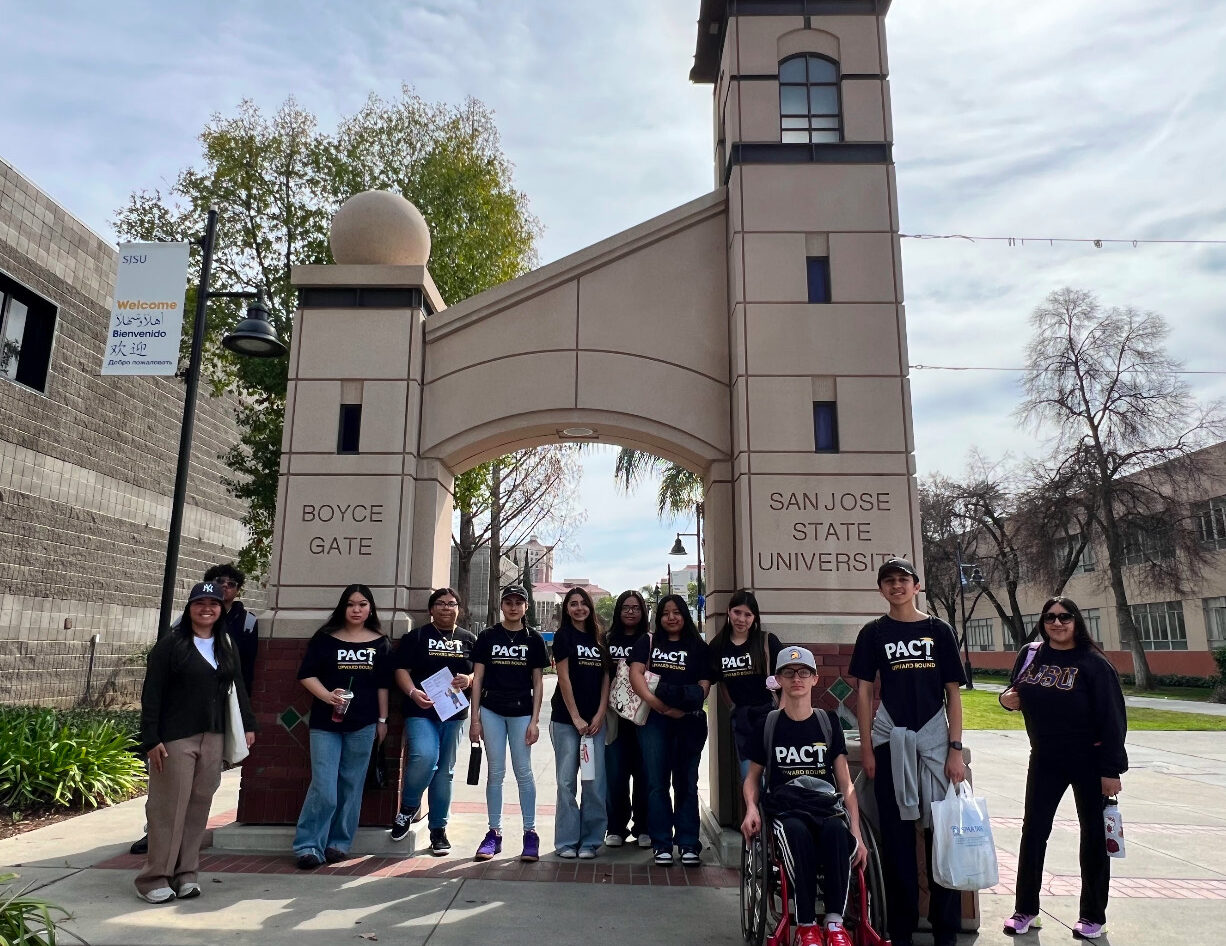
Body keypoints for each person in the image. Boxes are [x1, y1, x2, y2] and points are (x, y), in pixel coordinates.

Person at [851, 558, 967, 946]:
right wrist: (867, 747)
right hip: (889, 742)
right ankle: (900, 928)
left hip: (936, 744)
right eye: (889, 581)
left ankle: (945, 928)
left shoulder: (939, 630)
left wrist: (955, 749)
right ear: (881, 589)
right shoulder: (873, 633)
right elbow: (865, 691)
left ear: (917, 585)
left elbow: (953, 693)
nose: (897, 586)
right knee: (897, 840)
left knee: (941, 840)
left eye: (904, 580)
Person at [998, 597, 1127, 940]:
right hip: (1044, 758)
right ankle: (1026, 910)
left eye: (1064, 617)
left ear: (1076, 621)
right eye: (1050, 617)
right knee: (1034, 832)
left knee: (1094, 837)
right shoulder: (1031, 654)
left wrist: (1111, 770)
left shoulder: (1094, 662)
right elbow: (1015, 690)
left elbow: (1113, 718)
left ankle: (1092, 916)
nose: (1057, 623)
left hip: (1089, 761)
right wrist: (1004, 700)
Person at [135, 581, 255, 903]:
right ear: (189, 608)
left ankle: (186, 874)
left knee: (198, 807)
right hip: (175, 738)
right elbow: (152, 694)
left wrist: (249, 724)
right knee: (167, 809)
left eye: (213, 603)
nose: (207, 608)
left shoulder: (225, 644)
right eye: (199, 602)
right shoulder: (171, 645)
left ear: (220, 609)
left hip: (213, 737)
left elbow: (237, 686)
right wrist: (151, 739)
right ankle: (154, 878)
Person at [742, 647, 868, 946]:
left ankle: (835, 923)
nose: (796, 678)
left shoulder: (828, 723)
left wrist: (858, 833)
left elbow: (845, 783)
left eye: (803, 673)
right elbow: (752, 779)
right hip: (787, 809)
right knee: (796, 833)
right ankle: (806, 924)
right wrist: (751, 808)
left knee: (837, 832)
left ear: (814, 679)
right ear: (778, 680)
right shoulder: (768, 725)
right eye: (788, 672)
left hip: (825, 807)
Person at [292, 584, 392, 869]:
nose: (356, 609)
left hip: (364, 724)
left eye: (362, 604)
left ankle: (338, 843)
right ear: (342, 608)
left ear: (370, 608)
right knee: (324, 787)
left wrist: (383, 721)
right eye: (350, 604)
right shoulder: (325, 639)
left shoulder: (380, 643)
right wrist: (327, 696)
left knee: (352, 785)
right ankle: (308, 845)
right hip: (325, 724)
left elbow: (383, 686)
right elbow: (306, 675)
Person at [389, 587, 476, 855]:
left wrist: (469, 679)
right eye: (440, 603)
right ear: (431, 609)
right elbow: (400, 669)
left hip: (453, 713)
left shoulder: (469, 639)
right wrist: (413, 692)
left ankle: (438, 830)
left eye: (452, 604)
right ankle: (409, 806)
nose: (446, 608)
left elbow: (478, 674)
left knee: (444, 772)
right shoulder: (416, 637)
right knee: (424, 757)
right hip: (421, 710)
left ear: (459, 609)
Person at [469, 584, 551, 862]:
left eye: (519, 602)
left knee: (524, 772)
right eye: (509, 602)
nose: (513, 606)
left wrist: (535, 720)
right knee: (496, 772)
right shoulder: (487, 636)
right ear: (501, 606)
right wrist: (474, 719)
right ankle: (494, 833)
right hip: (491, 710)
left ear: (526, 607)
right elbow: (477, 679)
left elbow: (538, 681)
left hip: (521, 712)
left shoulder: (534, 639)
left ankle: (530, 833)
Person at [630, 593, 710, 866]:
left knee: (687, 783)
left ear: (685, 615)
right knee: (656, 784)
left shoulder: (697, 646)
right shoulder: (648, 642)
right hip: (655, 722)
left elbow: (704, 685)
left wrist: (684, 708)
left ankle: (688, 843)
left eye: (676, 612)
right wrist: (657, 704)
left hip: (689, 722)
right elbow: (635, 674)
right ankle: (661, 843)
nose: (671, 617)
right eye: (666, 613)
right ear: (659, 617)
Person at [550, 586, 612, 858]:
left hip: (595, 724)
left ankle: (590, 840)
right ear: (567, 609)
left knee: (594, 782)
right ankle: (566, 841)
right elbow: (563, 678)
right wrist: (575, 717)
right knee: (566, 782)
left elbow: (606, 678)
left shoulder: (600, 637)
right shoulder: (564, 636)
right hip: (566, 721)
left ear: (590, 607)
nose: (578, 608)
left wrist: (599, 714)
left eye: (583, 603)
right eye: (573, 604)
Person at [708, 588, 783, 780]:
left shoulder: (767, 641)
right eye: (737, 612)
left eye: (748, 615)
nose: (741, 619)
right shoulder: (718, 646)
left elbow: (787, 678)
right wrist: (732, 706)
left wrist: (782, 714)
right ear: (728, 611)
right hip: (742, 721)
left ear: (755, 617)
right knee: (749, 780)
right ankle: (752, 811)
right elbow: (718, 681)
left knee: (776, 778)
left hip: (770, 717)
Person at [603, 589, 652, 849]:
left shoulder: (651, 641)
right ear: (618, 611)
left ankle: (644, 826)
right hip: (614, 717)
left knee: (645, 774)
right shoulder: (607, 640)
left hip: (644, 716)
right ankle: (616, 827)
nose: (630, 612)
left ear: (643, 611)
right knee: (616, 774)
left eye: (635, 608)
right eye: (626, 607)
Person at [203, 562, 260, 697]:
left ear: (237, 590)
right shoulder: (192, 616)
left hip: (230, 693)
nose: (225, 585)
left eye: (231, 584)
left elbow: (247, 666)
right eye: (220, 581)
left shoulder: (248, 622)